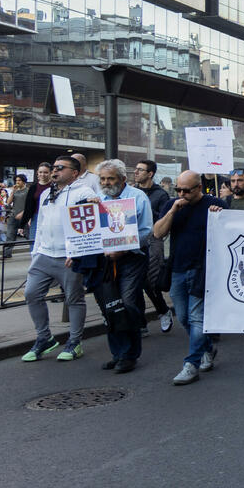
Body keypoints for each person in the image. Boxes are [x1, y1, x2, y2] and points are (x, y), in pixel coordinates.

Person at [153, 170, 227, 385]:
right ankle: (206, 348)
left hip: (203, 269)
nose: (182, 194)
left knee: (196, 318)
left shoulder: (215, 203)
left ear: (199, 188)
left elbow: (229, 232)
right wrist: (172, 211)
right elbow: (158, 233)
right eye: (178, 189)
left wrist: (219, 215)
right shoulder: (173, 205)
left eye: (187, 190)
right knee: (184, 317)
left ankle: (191, 364)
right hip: (178, 268)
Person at [21, 156, 97, 362]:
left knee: (74, 299)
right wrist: (36, 252)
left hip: (68, 257)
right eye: (54, 167)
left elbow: (90, 225)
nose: (55, 171)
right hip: (44, 254)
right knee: (31, 293)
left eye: (60, 168)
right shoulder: (47, 193)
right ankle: (44, 338)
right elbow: (40, 224)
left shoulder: (84, 192)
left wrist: (78, 252)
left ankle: (74, 342)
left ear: (74, 173)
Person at [94, 159, 153, 373]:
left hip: (132, 258)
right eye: (102, 179)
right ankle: (118, 353)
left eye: (110, 178)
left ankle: (129, 355)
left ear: (123, 179)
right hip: (106, 261)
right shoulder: (98, 199)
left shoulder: (138, 197)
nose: (106, 183)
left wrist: (124, 248)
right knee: (110, 306)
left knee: (127, 303)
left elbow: (147, 231)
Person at [132, 160, 174, 334]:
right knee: (135, 282)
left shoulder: (160, 195)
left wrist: (145, 211)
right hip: (133, 239)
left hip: (153, 239)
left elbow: (164, 219)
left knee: (150, 280)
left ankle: (163, 310)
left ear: (150, 174)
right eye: (136, 169)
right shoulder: (132, 192)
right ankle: (140, 323)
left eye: (140, 170)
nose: (136, 172)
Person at [1, 174, 29, 259]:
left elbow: (30, 204)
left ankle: (35, 251)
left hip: (25, 216)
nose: (17, 182)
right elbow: (8, 202)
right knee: (10, 235)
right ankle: (6, 253)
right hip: (14, 215)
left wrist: (24, 213)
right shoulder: (15, 191)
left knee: (28, 234)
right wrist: (13, 191)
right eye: (16, 180)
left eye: (19, 180)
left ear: (24, 181)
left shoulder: (28, 191)